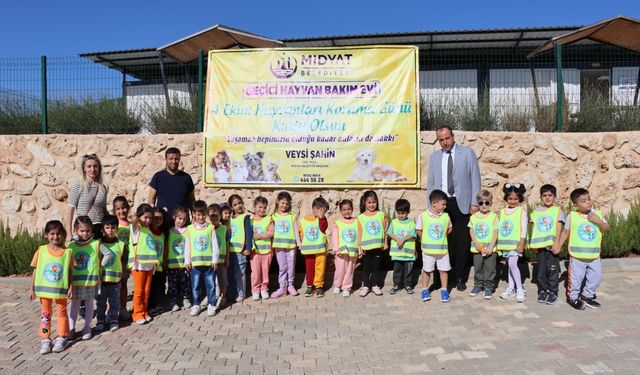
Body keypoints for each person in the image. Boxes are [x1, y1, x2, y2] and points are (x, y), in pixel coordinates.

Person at [427, 125, 481, 292]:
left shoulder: (467, 153)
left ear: (453, 136)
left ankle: (460, 278)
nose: (445, 142)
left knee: (462, 243)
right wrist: (431, 206)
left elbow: (475, 179)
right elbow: (431, 182)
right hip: (441, 204)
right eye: (441, 140)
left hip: (462, 203)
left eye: (447, 138)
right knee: (440, 242)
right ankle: (439, 280)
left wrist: (474, 202)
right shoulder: (434, 157)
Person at [554, 188, 609, 310]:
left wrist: (598, 221)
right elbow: (565, 232)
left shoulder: (597, 214)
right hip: (577, 257)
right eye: (583, 201)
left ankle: (587, 295)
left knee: (596, 278)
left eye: (589, 199)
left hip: (594, 256)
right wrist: (558, 245)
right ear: (575, 205)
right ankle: (573, 298)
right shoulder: (572, 216)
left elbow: (607, 228)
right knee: (576, 280)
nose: (588, 202)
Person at [30, 220, 72, 355]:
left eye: (58, 234)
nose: (55, 237)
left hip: (61, 290)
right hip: (44, 291)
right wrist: (32, 288)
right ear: (46, 235)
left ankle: (61, 337)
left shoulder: (67, 253)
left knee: (62, 314)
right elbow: (35, 270)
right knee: (45, 315)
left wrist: (71, 286)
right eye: (52, 234)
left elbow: (70, 271)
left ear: (63, 235)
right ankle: (45, 339)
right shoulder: (41, 250)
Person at [68, 216, 113, 340]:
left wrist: (100, 266)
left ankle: (87, 327)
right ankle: (71, 328)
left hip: (90, 281)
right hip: (75, 282)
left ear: (91, 231)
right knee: (74, 306)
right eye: (82, 231)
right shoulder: (71, 245)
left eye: (87, 231)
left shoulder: (95, 243)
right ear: (76, 230)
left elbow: (108, 254)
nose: (85, 233)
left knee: (89, 305)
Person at [529, 184, 565, 305]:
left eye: (550, 195)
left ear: (554, 196)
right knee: (541, 271)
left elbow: (559, 228)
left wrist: (557, 244)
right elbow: (534, 228)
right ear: (541, 197)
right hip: (540, 248)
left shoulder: (557, 210)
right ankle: (543, 290)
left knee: (553, 270)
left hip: (552, 247)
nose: (547, 198)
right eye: (544, 195)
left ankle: (553, 291)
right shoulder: (536, 212)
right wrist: (533, 244)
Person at [128, 203, 162, 325]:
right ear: (139, 217)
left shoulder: (148, 230)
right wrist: (137, 216)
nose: (147, 220)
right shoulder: (135, 229)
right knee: (139, 291)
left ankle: (144, 311)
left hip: (149, 265)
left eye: (150, 218)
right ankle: (137, 314)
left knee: (147, 290)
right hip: (139, 265)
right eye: (145, 217)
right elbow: (132, 219)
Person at [184, 200, 220, 317]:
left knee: (211, 285)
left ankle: (212, 304)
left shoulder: (210, 228)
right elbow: (187, 246)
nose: (201, 217)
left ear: (207, 214)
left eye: (203, 214)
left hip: (209, 264)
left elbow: (215, 245)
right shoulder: (189, 229)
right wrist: (187, 260)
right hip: (195, 264)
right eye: (198, 214)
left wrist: (215, 260)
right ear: (193, 214)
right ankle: (196, 304)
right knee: (195, 286)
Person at [417, 190, 453, 303]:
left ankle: (444, 290)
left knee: (444, 270)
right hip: (428, 251)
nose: (445, 206)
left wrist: (442, 237)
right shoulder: (423, 216)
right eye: (443, 204)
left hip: (442, 251)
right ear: (434, 203)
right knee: (427, 270)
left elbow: (449, 228)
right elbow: (419, 230)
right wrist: (424, 239)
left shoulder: (446, 216)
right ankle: (424, 289)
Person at [497, 183, 528, 303]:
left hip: (516, 245)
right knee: (510, 266)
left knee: (513, 265)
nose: (513, 201)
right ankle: (511, 288)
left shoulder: (521, 211)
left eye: (516, 199)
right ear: (506, 199)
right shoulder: (503, 211)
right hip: (506, 245)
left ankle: (520, 289)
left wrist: (521, 243)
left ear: (520, 199)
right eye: (510, 198)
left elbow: (523, 228)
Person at [67, 154, 109, 241]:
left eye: (95, 166)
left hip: (99, 228)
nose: (92, 169)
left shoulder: (103, 187)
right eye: (89, 166)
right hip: (84, 229)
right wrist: (69, 233)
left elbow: (104, 210)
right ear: (84, 169)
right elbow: (70, 210)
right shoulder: (78, 186)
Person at [95, 215, 125, 332]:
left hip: (115, 281)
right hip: (101, 281)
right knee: (101, 303)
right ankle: (100, 320)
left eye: (113, 227)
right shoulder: (97, 244)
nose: (110, 230)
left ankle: (113, 320)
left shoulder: (121, 245)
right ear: (102, 230)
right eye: (107, 228)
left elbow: (122, 260)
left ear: (117, 229)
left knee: (114, 302)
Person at [148, 147, 195, 221]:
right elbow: (151, 200)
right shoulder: (158, 176)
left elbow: (192, 200)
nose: (174, 161)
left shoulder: (186, 177)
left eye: (176, 159)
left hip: (182, 221)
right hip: (163, 221)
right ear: (166, 159)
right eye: (171, 159)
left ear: (179, 159)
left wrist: (194, 217)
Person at [468, 190, 499, 299]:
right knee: (478, 267)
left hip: (490, 248)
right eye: (481, 203)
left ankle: (488, 287)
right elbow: (471, 230)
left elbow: (496, 231)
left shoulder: (494, 216)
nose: (484, 205)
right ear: (478, 203)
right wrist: (476, 243)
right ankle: (478, 285)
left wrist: (491, 246)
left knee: (490, 268)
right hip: (477, 249)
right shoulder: (474, 217)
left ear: (491, 203)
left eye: (487, 203)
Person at [357, 190, 388, 297]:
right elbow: (359, 233)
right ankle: (365, 286)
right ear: (364, 203)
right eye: (369, 202)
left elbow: (385, 230)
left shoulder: (381, 215)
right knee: (366, 268)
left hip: (377, 247)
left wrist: (385, 243)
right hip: (366, 248)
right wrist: (360, 247)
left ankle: (375, 285)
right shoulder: (360, 217)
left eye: (374, 202)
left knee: (376, 267)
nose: (371, 205)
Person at [270, 192, 300, 298]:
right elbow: (271, 233)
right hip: (278, 246)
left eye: (287, 204)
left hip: (291, 246)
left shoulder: (292, 216)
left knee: (291, 266)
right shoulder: (273, 217)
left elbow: (296, 230)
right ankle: (282, 288)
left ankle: (291, 286)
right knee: (282, 267)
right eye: (282, 203)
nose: (284, 206)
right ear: (278, 202)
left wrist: (298, 243)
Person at [299, 196, 330, 298]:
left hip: (320, 250)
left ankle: (319, 286)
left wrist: (322, 218)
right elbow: (301, 233)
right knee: (309, 268)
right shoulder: (304, 220)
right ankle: (309, 285)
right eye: (322, 210)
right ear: (315, 208)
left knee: (320, 268)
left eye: (324, 211)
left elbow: (323, 228)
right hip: (309, 251)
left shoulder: (322, 220)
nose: (323, 213)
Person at [226, 195, 253, 303]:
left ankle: (241, 293)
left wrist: (248, 248)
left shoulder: (245, 218)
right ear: (231, 207)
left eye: (239, 203)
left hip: (241, 251)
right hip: (230, 251)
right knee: (230, 274)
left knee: (240, 274)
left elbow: (249, 234)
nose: (238, 206)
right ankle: (231, 293)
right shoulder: (229, 218)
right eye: (235, 205)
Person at [388, 199, 417, 295]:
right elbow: (390, 232)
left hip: (408, 253)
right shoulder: (394, 222)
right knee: (397, 270)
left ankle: (408, 285)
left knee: (408, 271)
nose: (400, 215)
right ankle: (396, 285)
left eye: (403, 213)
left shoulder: (411, 223)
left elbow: (412, 234)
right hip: (397, 253)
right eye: (399, 213)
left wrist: (402, 240)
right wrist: (397, 239)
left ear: (408, 212)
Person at [331, 199, 359, 297]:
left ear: (352, 209)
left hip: (353, 251)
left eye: (349, 209)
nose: (347, 211)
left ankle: (347, 287)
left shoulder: (356, 221)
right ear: (341, 211)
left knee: (350, 270)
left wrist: (360, 248)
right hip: (341, 252)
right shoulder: (338, 222)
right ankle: (338, 285)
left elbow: (360, 235)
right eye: (344, 210)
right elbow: (335, 236)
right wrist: (336, 249)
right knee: (340, 269)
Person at [167, 206, 192, 311]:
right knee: (172, 282)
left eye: (184, 219)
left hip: (185, 264)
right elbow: (167, 247)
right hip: (172, 264)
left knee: (185, 282)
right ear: (174, 217)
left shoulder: (188, 231)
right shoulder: (169, 231)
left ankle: (185, 298)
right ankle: (172, 300)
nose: (181, 221)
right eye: (179, 218)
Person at [250, 196, 275, 301]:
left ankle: (264, 288)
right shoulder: (250, 220)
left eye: (264, 207)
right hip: (255, 252)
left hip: (267, 251)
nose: (262, 210)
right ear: (254, 207)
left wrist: (260, 236)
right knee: (255, 272)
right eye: (259, 207)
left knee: (265, 271)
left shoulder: (269, 219)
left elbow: (272, 232)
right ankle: (255, 290)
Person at [113, 196, 131, 321]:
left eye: (124, 208)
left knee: (123, 284)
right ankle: (113, 309)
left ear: (128, 208)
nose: (122, 211)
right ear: (114, 211)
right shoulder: (113, 226)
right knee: (114, 286)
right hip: (115, 261)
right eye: (118, 209)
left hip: (126, 260)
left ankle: (123, 308)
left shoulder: (131, 225)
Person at [147, 207, 168, 314]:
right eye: (155, 218)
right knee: (149, 287)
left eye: (160, 218)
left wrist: (164, 261)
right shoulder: (147, 232)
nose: (157, 221)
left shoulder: (163, 234)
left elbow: (165, 248)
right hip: (149, 265)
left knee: (157, 286)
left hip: (159, 266)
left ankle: (156, 304)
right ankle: (149, 306)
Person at [209, 204, 229, 307]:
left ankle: (223, 296)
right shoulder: (208, 229)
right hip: (211, 260)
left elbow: (227, 244)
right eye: (211, 216)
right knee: (212, 279)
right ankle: (213, 296)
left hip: (221, 260)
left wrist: (227, 258)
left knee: (223, 279)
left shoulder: (224, 228)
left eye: (216, 216)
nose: (214, 218)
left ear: (220, 216)